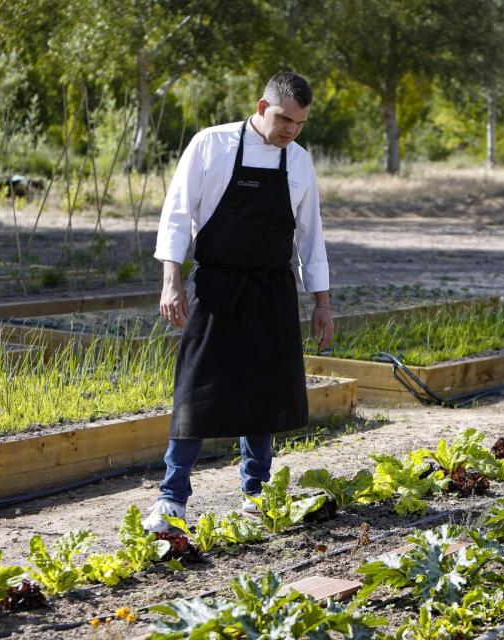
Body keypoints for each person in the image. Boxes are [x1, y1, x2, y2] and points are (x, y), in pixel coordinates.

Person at [142, 72, 333, 533]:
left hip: (272, 288)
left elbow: (311, 238)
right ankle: (172, 498)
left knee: (263, 391)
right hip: (216, 285)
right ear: (263, 107)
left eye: (300, 123)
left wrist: (322, 303)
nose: (291, 130)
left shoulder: (300, 162)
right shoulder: (211, 144)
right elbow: (177, 214)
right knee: (195, 389)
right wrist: (172, 281)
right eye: (286, 119)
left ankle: (256, 494)